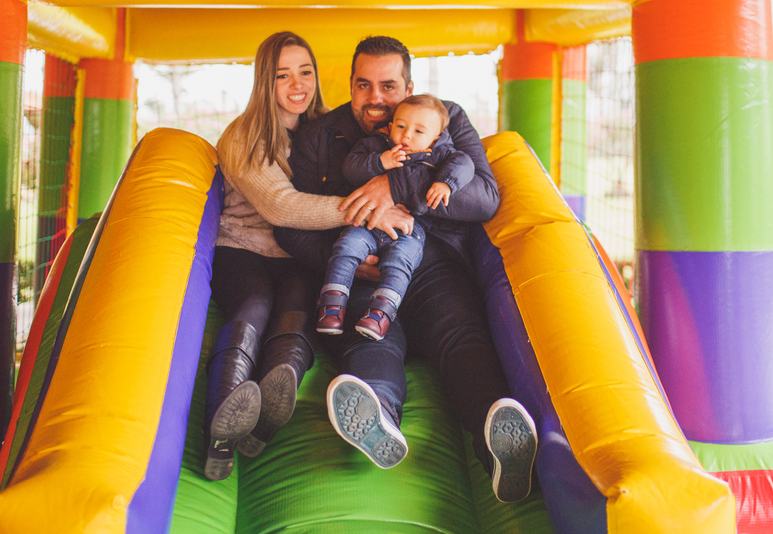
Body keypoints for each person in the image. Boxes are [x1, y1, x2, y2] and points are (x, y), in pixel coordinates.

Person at [275, 36, 539, 502]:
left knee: (460, 333)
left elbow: (483, 198)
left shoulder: (444, 117)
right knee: (370, 337)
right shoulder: (320, 136)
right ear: (350, 85)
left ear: (409, 87)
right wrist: (346, 260)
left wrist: (394, 184)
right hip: (362, 264)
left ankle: (496, 435)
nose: (375, 98)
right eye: (363, 85)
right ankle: (376, 416)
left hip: (432, 260)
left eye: (388, 86)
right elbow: (289, 224)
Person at [205, 31, 385, 480]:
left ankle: (269, 407)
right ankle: (222, 425)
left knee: (299, 312)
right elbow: (280, 208)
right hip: (243, 247)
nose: (297, 84)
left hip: (296, 253)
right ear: (265, 82)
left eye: (305, 72)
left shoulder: (324, 127)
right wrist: (364, 209)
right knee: (254, 305)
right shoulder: (245, 135)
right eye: (283, 75)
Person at [317, 94, 474, 342]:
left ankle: (380, 314)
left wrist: (446, 183)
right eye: (401, 126)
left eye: (418, 131)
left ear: (435, 138)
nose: (406, 136)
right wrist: (380, 162)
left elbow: (465, 164)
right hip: (369, 223)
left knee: (400, 262)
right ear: (390, 126)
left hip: (410, 228)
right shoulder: (376, 145)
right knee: (346, 247)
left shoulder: (441, 155)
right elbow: (351, 167)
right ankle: (331, 306)